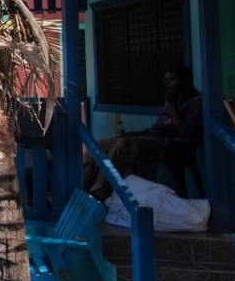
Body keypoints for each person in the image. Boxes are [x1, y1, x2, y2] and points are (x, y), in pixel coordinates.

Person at [86, 65, 203, 197]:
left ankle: (97, 194)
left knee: (123, 145)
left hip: (169, 144)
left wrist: (171, 104)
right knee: (97, 146)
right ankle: (80, 187)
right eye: (165, 80)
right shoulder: (174, 99)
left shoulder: (196, 101)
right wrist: (137, 133)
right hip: (149, 138)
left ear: (186, 81)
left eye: (171, 80)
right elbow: (159, 127)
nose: (167, 84)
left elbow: (184, 132)